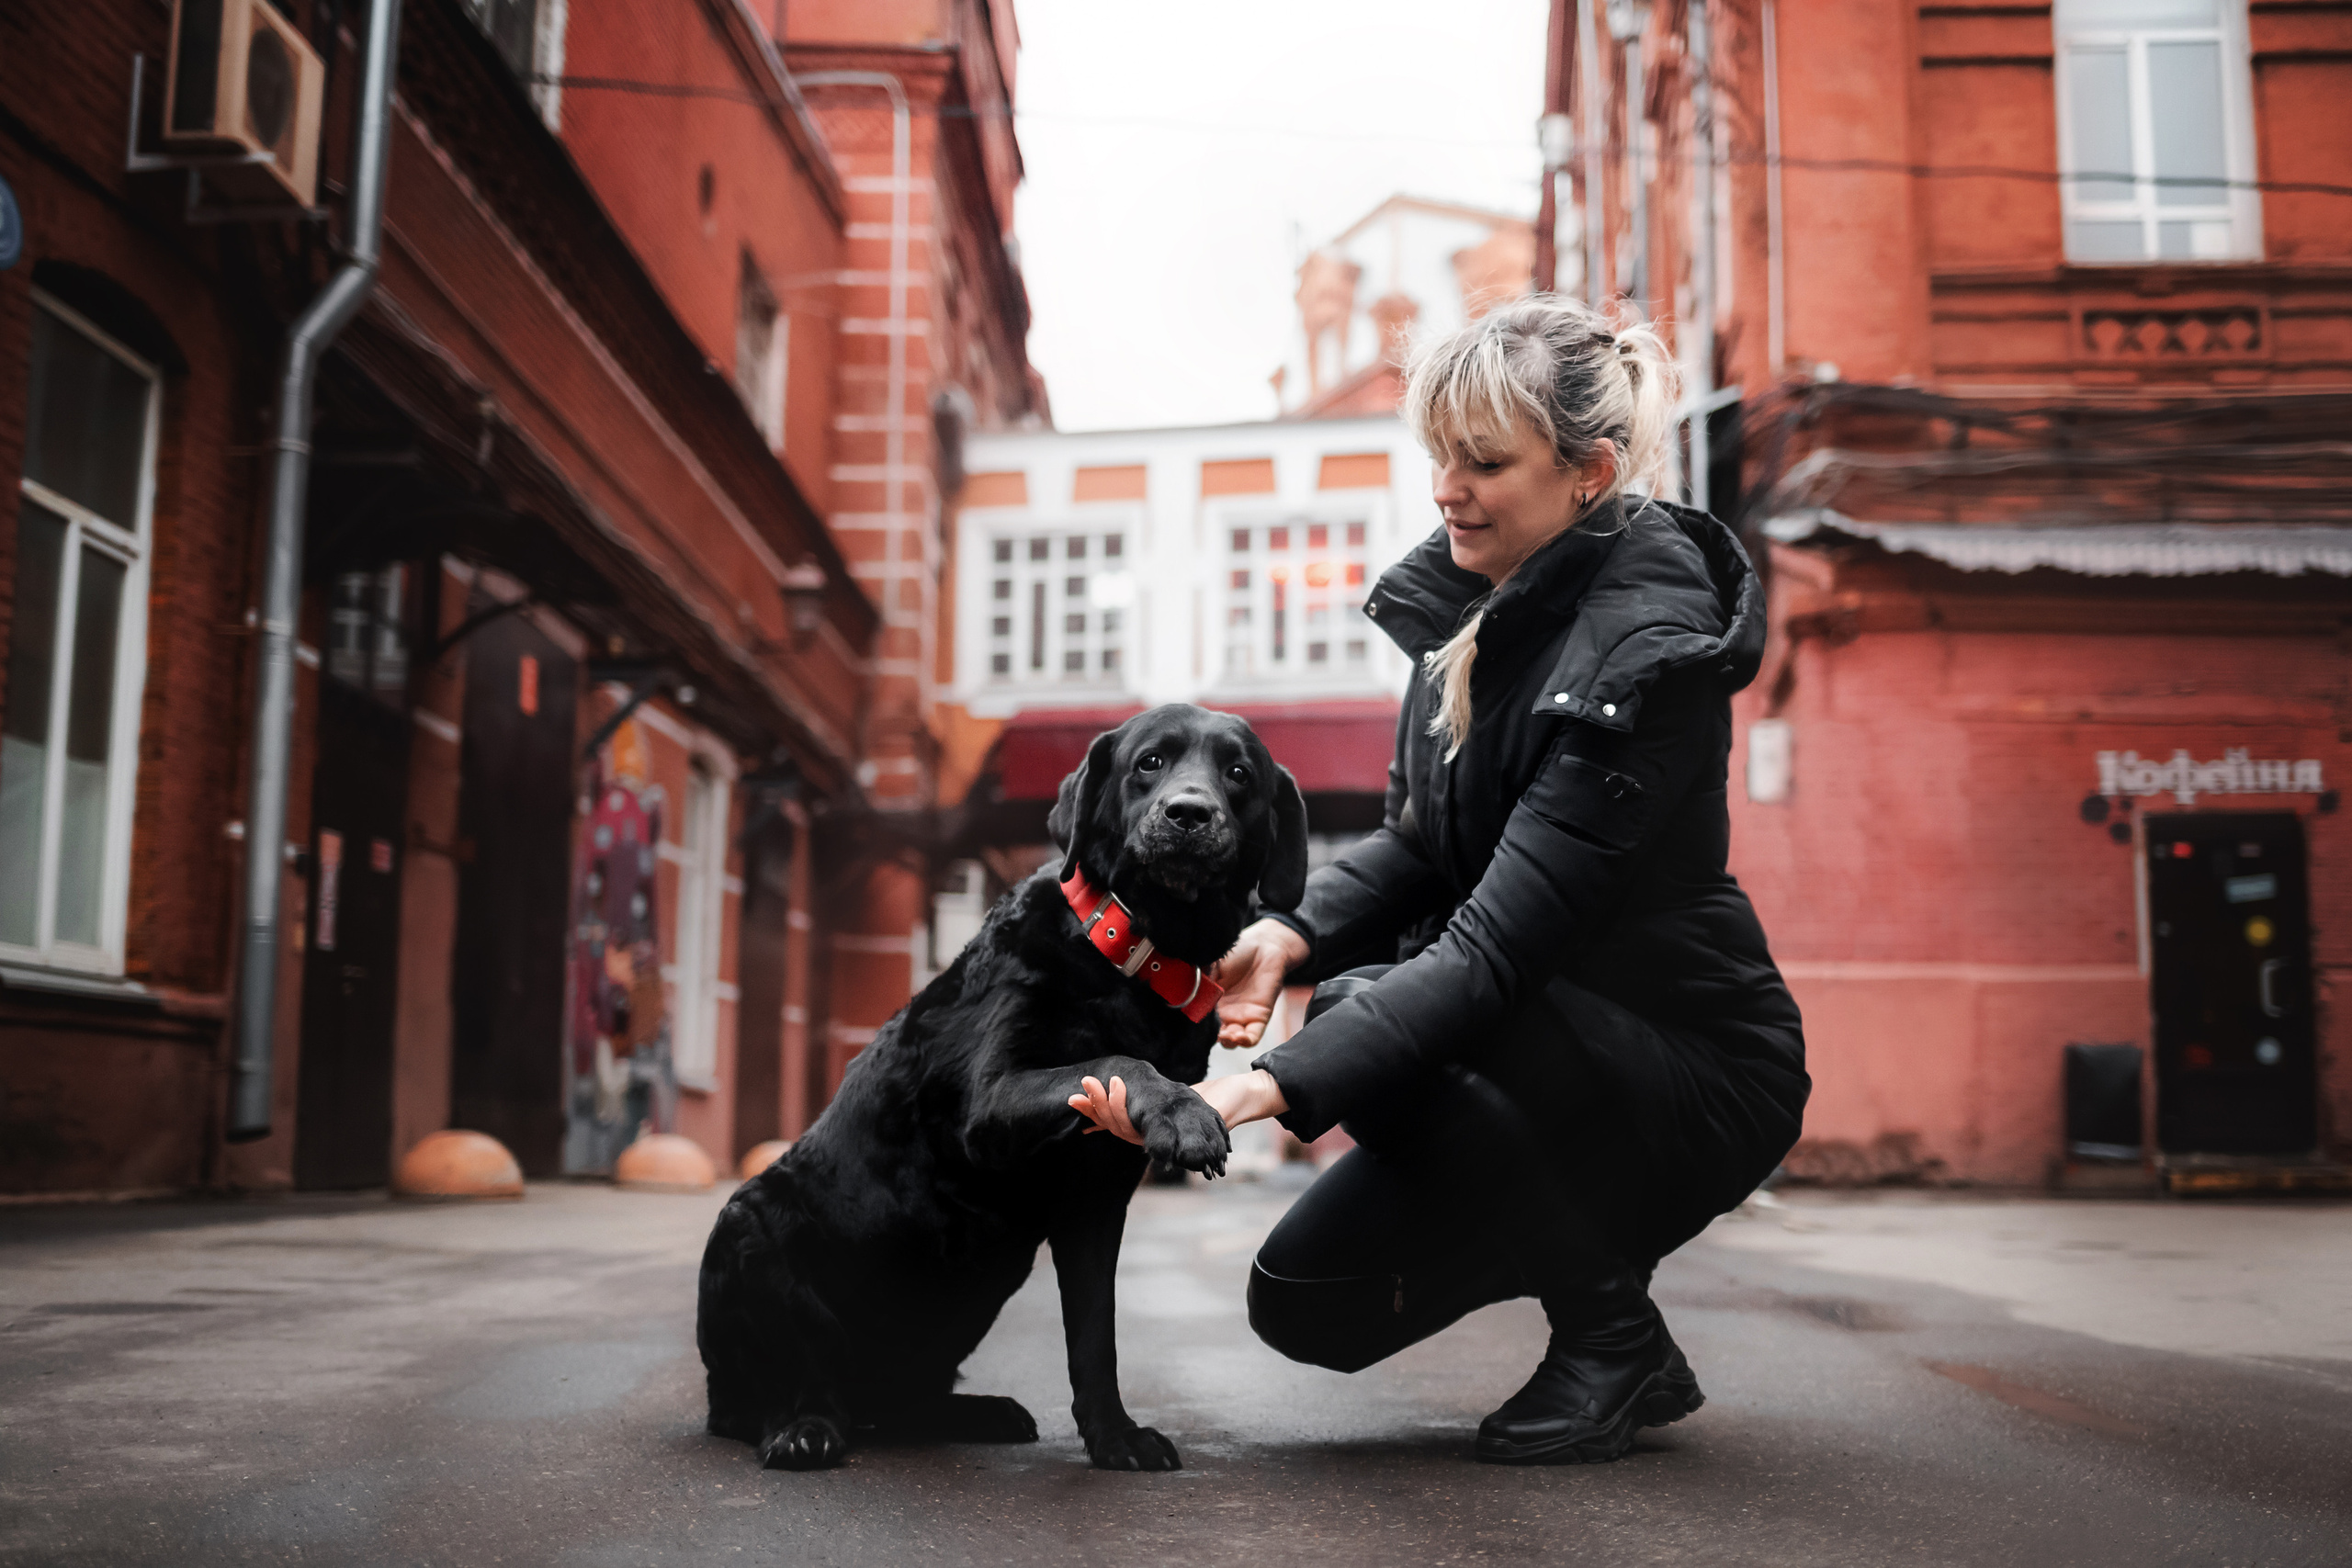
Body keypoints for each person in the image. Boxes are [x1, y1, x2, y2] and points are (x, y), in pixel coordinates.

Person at [1069, 295, 1808, 1466]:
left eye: (1482, 462)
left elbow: (1492, 953)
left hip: (1693, 1069)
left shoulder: (1647, 660)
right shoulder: (1476, 616)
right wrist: (1287, 935)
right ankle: (1624, 1321)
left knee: (1377, 1006)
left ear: (1587, 473)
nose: (1445, 490)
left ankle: (1605, 1337)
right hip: (1544, 1050)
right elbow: (1420, 844)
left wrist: (1256, 1091)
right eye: (1437, 457)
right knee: (1307, 1301)